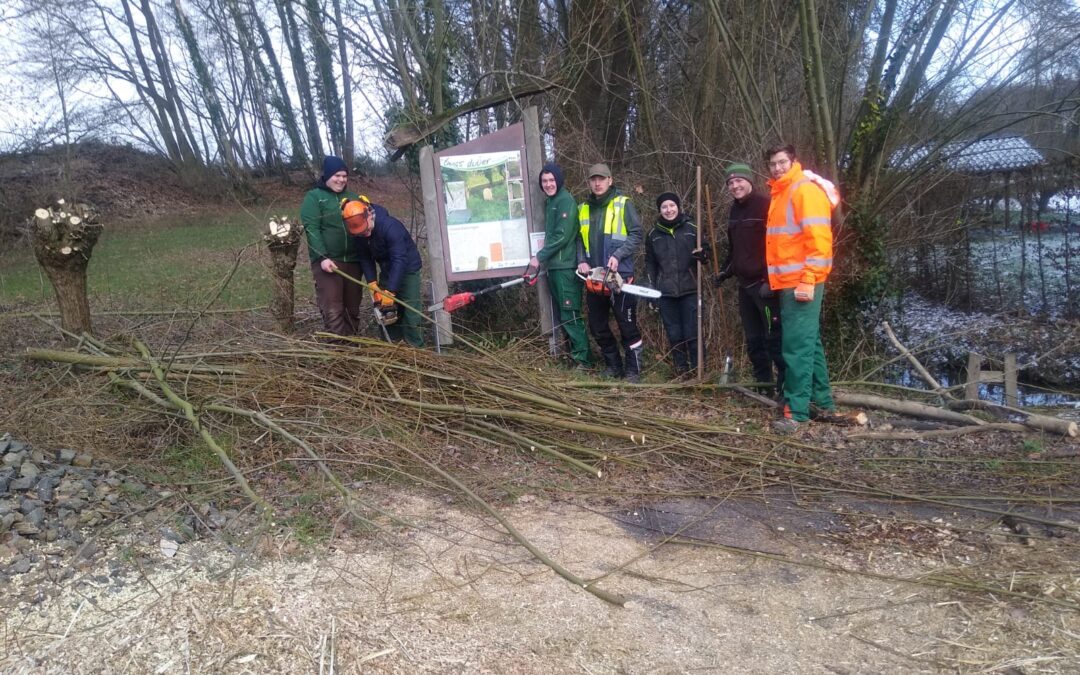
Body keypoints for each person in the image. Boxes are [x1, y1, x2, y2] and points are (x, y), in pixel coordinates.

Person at [763, 144, 838, 432]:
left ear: (793, 162)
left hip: (802, 282)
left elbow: (819, 241)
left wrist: (808, 278)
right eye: (773, 163)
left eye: (782, 162)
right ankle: (821, 402)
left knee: (795, 347)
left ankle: (796, 412)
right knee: (809, 343)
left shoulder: (803, 190)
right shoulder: (781, 192)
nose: (777, 168)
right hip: (789, 282)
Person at [714, 162, 785, 396]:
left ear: (750, 181)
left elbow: (777, 246)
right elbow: (736, 250)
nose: (735, 186)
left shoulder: (766, 205)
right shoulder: (734, 210)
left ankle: (785, 386)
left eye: (739, 181)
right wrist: (725, 271)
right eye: (730, 183)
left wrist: (769, 279)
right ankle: (763, 385)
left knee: (774, 338)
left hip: (765, 287)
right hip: (745, 287)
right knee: (754, 340)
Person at [576, 163, 645, 382]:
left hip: (619, 277)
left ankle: (633, 370)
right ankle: (613, 366)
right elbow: (579, 239)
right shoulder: (583, 208)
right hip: (595, 279)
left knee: (627, 326)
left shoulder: (623, 204)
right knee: (598, 327)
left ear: (610, 180)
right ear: (589, 182)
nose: (597, 183)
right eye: (593, 179)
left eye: (601, 179)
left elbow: (636, 234)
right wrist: (581, 261)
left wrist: (619, 255)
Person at [527, 163, 592, 369]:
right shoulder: (552, 201)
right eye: (544, 181)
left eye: (551, 180)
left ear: (559, 180)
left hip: (565, 267)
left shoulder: (565, 201)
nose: (548, 184)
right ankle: (575, 355)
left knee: (570, 312)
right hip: (555, 267)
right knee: (564, 314)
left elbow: (562, 236)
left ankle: (583, 360)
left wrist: (539, 257)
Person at [345, 196, 425, 347]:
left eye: (367, 229)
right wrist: (372, 283)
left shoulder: (390, 227)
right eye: (361, 233)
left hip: (407, 268)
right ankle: (391, 345)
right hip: (387, 269)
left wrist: (391, 291)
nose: (365, 234)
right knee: (386, 311)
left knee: (410, 312)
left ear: (369, 215)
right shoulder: (358, 232)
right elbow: (365, 257)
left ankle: (416, 348)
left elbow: (399, 259)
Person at [645, 191, 707, 377]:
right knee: (674, 334)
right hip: (666, 293)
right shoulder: (653, 234)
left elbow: (706, 252)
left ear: (678, 207)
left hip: (690, 289)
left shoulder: (691, 227)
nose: (669, 210)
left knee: (693, 333)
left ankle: (699, 371)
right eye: (664, 207)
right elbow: (650, 264)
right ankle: (682, 370)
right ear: (660, 210)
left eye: (672, 206)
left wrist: (703, 255)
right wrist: (651, 290)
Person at [301, 156, 364, 337]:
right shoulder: (314, 198)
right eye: (337, 175)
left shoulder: (353, 198)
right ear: (327, 175)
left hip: (353, 261)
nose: (341, 179)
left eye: (344, 176)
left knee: (352, 307)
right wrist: (322, 256)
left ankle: (352, 343)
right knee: (333, 308)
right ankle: (338, 349)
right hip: (329, 262)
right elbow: (312, 228)